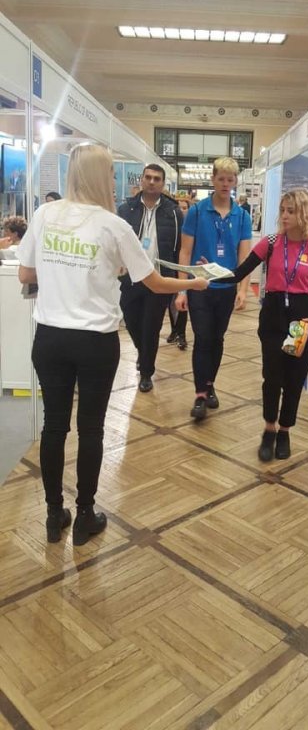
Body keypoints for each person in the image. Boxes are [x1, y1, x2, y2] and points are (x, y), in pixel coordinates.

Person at [17, 143, 207, 546]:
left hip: (49, 338)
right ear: (102, 176)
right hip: (95, 342)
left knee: (54, 425)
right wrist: (194, 283)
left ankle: (54, 514)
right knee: (91, 428)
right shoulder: (113, 225)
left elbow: (25, 274)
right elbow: (153, 282)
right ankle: (85, 515)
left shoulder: (45, 214)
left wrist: (62, 273)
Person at [221, 189, 308, 462]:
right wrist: (210, 272)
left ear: (304, 214)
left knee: (294, 380)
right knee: (272, 378)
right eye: (282, 210)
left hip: (301, 322)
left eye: (290, 211)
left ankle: (285, 431)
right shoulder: (270, 243)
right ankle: (269, 429)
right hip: (273, 317)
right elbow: (238, 273)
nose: (284, 216)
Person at [175, 157, 252, 420]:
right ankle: (199, 394)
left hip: (227, 288)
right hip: (199, 287)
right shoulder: (197, 212)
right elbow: (185, 252)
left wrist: (243, 289)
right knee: (202, 338)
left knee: (217, 339)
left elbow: (244, 258)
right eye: (221, 179)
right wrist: (182, 289)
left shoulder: (242, 216)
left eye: (230, 180)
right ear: (213, 180)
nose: (225, 184)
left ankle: (209, 385)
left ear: (236, 182)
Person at [118, 164, 184, 392]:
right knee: (132, 321)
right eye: (148, 177)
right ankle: (142, 351)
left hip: (159, 279)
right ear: (142, 180)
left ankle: (146, 372)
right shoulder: (126, 209)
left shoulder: (173, 212)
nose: (152, 182)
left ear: (163, 184)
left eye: (157, 178)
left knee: (151, 327)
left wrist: (179, 283)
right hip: (131, 278)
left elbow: (179, 248)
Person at [167, 197, 191, 350]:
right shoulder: (172, 225)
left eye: (185, 208)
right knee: (171, 302)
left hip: (185, 269)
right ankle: (174, 329)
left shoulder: (191, 228)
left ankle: (181, 334)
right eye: (179, 208)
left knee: (182, 299)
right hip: (172, 267)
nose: (182, 210)